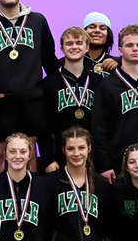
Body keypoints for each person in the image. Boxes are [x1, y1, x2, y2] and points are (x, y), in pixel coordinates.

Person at [0, 0, 58, 174]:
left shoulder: (38, 21)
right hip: (1, 100)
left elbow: (49, 58)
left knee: (28, 151)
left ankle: (28, 198)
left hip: (32, 98)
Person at [91, 24, 138, 182]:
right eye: (129, 45)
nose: (135, 49)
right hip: (120, 165)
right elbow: (99, 128)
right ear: (120, 50)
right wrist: (104, 164)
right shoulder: (107, 85)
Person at [47, 126, 110, 241]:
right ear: (63, 150)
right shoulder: (50, 184)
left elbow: (108, 223)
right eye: (71, 148)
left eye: (81, 147)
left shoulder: (102, 184)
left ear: (89, 149)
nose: (76, 153)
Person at [41, 27, 104, 172]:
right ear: (62, 49)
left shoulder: (98, 81)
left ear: (87, 47)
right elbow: (44, 125)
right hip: (59, 156)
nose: (74, 47)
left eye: (79, 43)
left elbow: (104, 123)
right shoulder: (48, 83)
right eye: (69, 44)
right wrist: (48, 159)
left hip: (92, 157)